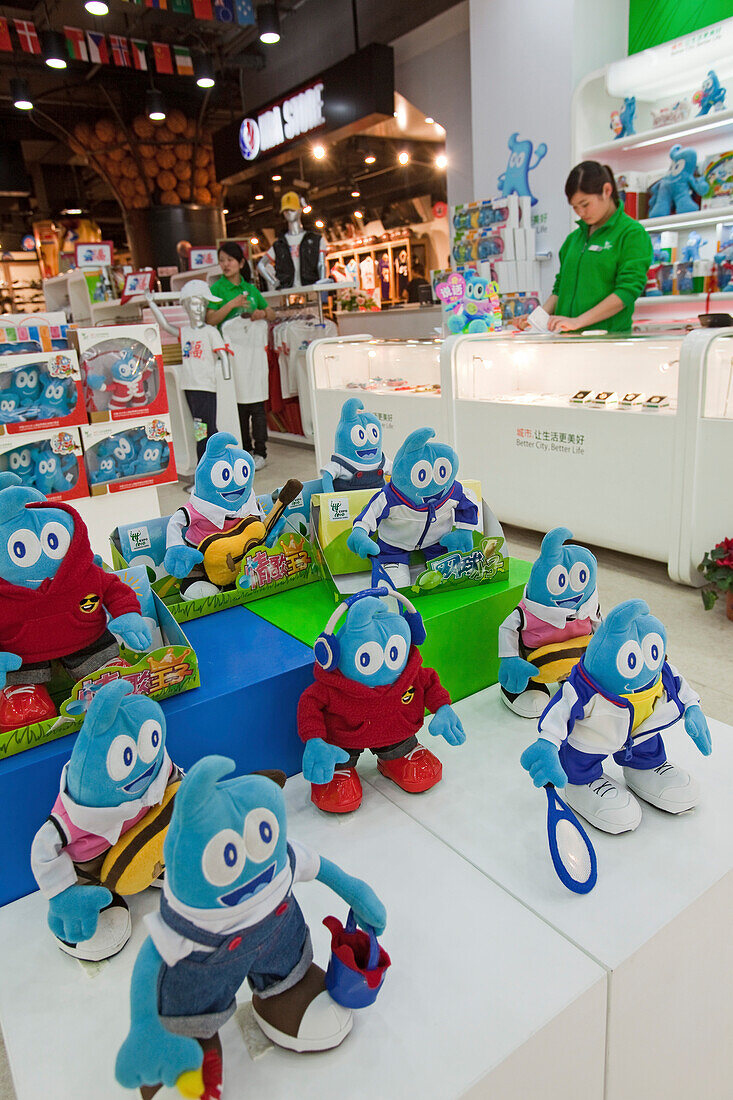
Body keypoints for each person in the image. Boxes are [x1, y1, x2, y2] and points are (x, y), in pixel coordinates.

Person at [517, 161, 652, 333]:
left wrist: (578, 321)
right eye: (575, 207)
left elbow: (626, 292)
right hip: (566, 341)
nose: (580, 212)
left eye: (585, 204)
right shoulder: (573, 239)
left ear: (607, 191)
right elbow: (559, 290)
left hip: (607, 342)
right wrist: (535, 320)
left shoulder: (631, 234)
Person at [206, 241, 275, 470]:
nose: (225, 264)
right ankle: (243, 450)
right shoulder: (217, 290)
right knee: (238, 406)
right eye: (222, 260)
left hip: (254, 357)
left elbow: (272, 314)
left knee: (257, 405)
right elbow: (210, 320)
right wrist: (232, 305)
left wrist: (260, 313)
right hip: (231, 358)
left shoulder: (252, 289)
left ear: (241, 262)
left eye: (230, 260)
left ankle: (261, 452)